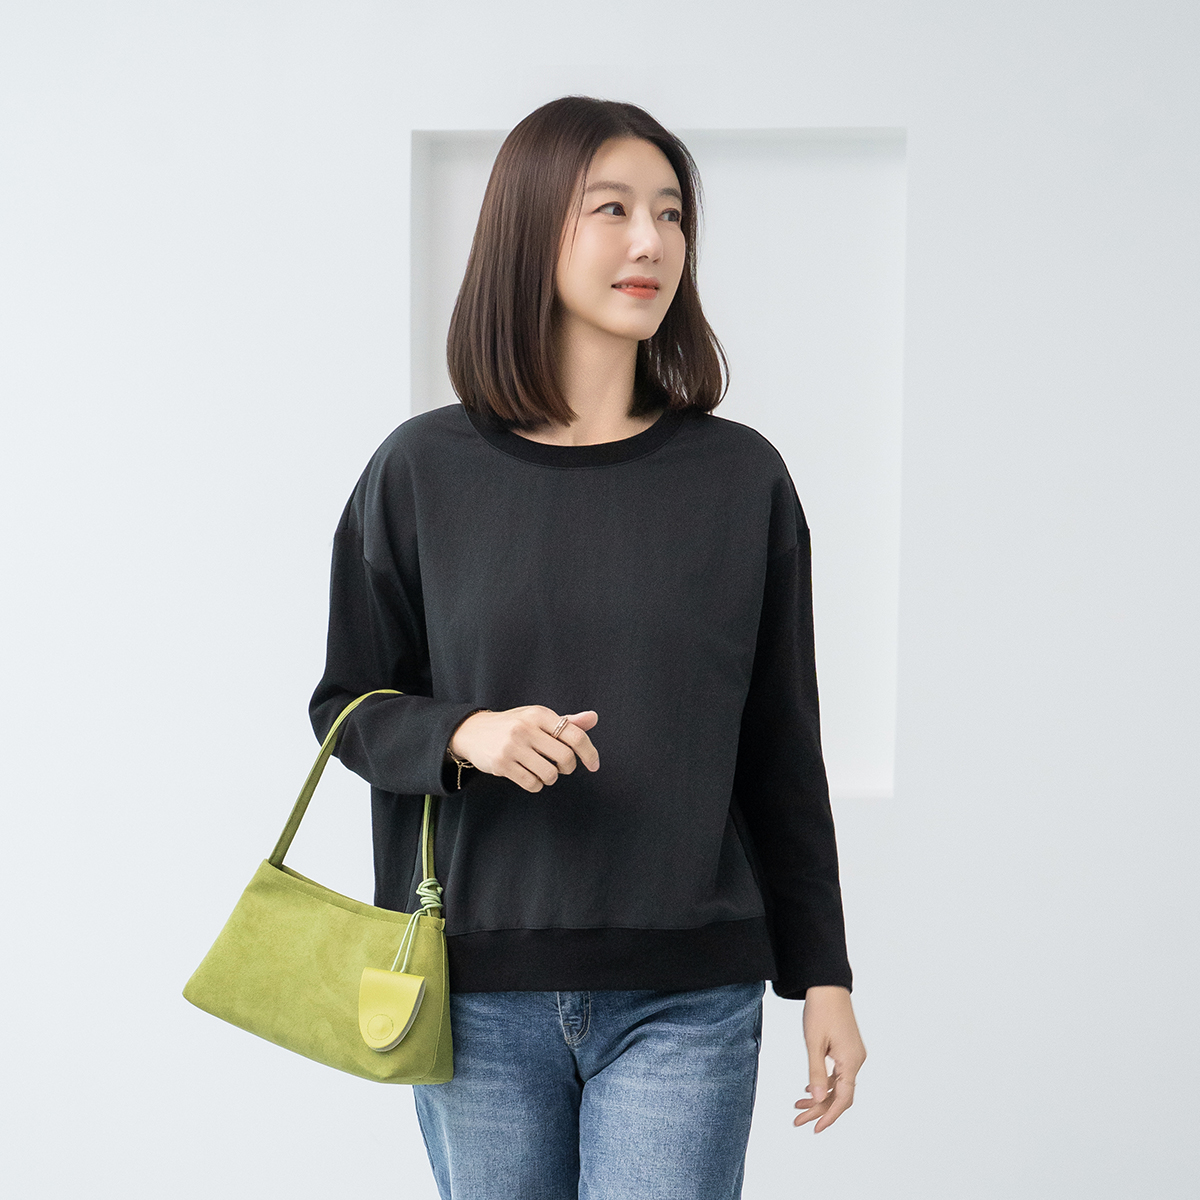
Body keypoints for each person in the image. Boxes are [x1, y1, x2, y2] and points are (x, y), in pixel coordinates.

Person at [310, 94, 867, 1200]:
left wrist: (825, 974)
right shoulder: (419, 471)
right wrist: (465, 733)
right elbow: (347, 706)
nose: (651, 241)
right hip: (476, 987)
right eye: (612, 209)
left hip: (688, 990)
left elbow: (780, 745)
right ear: (530, 229)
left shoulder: (740, 480)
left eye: (671, 213)